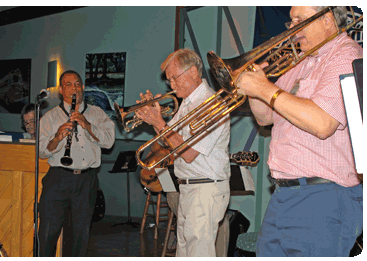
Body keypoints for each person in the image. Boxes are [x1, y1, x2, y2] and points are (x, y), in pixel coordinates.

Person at [235, 6, 363, 257]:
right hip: (284, 194)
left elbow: (322, 123)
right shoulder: (300, 62)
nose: (292, 28)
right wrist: (254, 89)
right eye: (291, 21)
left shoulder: (344, 54)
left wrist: (263, 89)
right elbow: (265, 118)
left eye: (300, 20)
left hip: (323, 196)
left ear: (327, 19)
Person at [135, 48, 231, 257]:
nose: (171, 84)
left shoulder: (211, 104)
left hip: (205, 189)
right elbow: (168, 141)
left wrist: (159, 122)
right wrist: (154, 117)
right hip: (189, 189)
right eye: (169, 80)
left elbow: (188, 153)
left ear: (194, 72)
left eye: (174, 78)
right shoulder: (187, 104)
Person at [38, 70, 116, 257]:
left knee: (79, 237)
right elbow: (42, 151)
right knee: (47, 233)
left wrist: (87, 125)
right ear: (61, 90)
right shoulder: (50, 117)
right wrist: (57, 137)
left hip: (86, 180)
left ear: (82, 87)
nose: (74, 88)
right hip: (58, 179)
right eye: (68, 84)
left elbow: (108, 141)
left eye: (77, 84)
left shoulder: (97, 113)